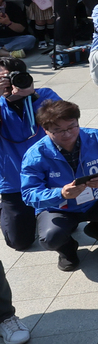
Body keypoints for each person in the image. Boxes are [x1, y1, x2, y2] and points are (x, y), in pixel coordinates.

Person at [20, 99, 98, 272]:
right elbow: (29, 194)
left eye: (71, 127)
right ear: (45, 130)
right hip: (59, 207)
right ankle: (67, 249)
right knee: (50, 238)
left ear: (78, 122)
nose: (66, 134)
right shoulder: (35, 154)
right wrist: (60, 194)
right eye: (58, 130)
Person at [0, 64, 58, 251]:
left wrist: (31, 96)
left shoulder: (43, 95)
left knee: (62, 229)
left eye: (10, 76)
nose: (7, 82)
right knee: (20, 242)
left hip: (49, 178)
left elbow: (63, 121)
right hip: (14, 183)